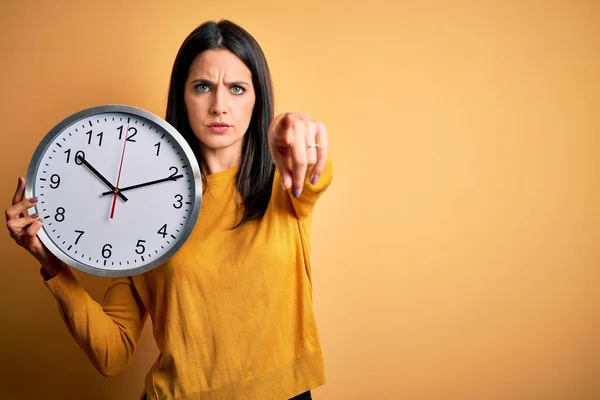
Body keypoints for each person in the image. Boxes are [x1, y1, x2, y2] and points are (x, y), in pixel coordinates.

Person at [5, 19, 332, 400]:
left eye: (237, 89)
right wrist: (53, 264)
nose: (219, 106)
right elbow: (113, 354)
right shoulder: (138, 211)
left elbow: (314, 172)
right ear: (183, 97)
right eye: (202, 87)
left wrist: (296, 131)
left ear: (257, 99)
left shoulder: (286, 183)